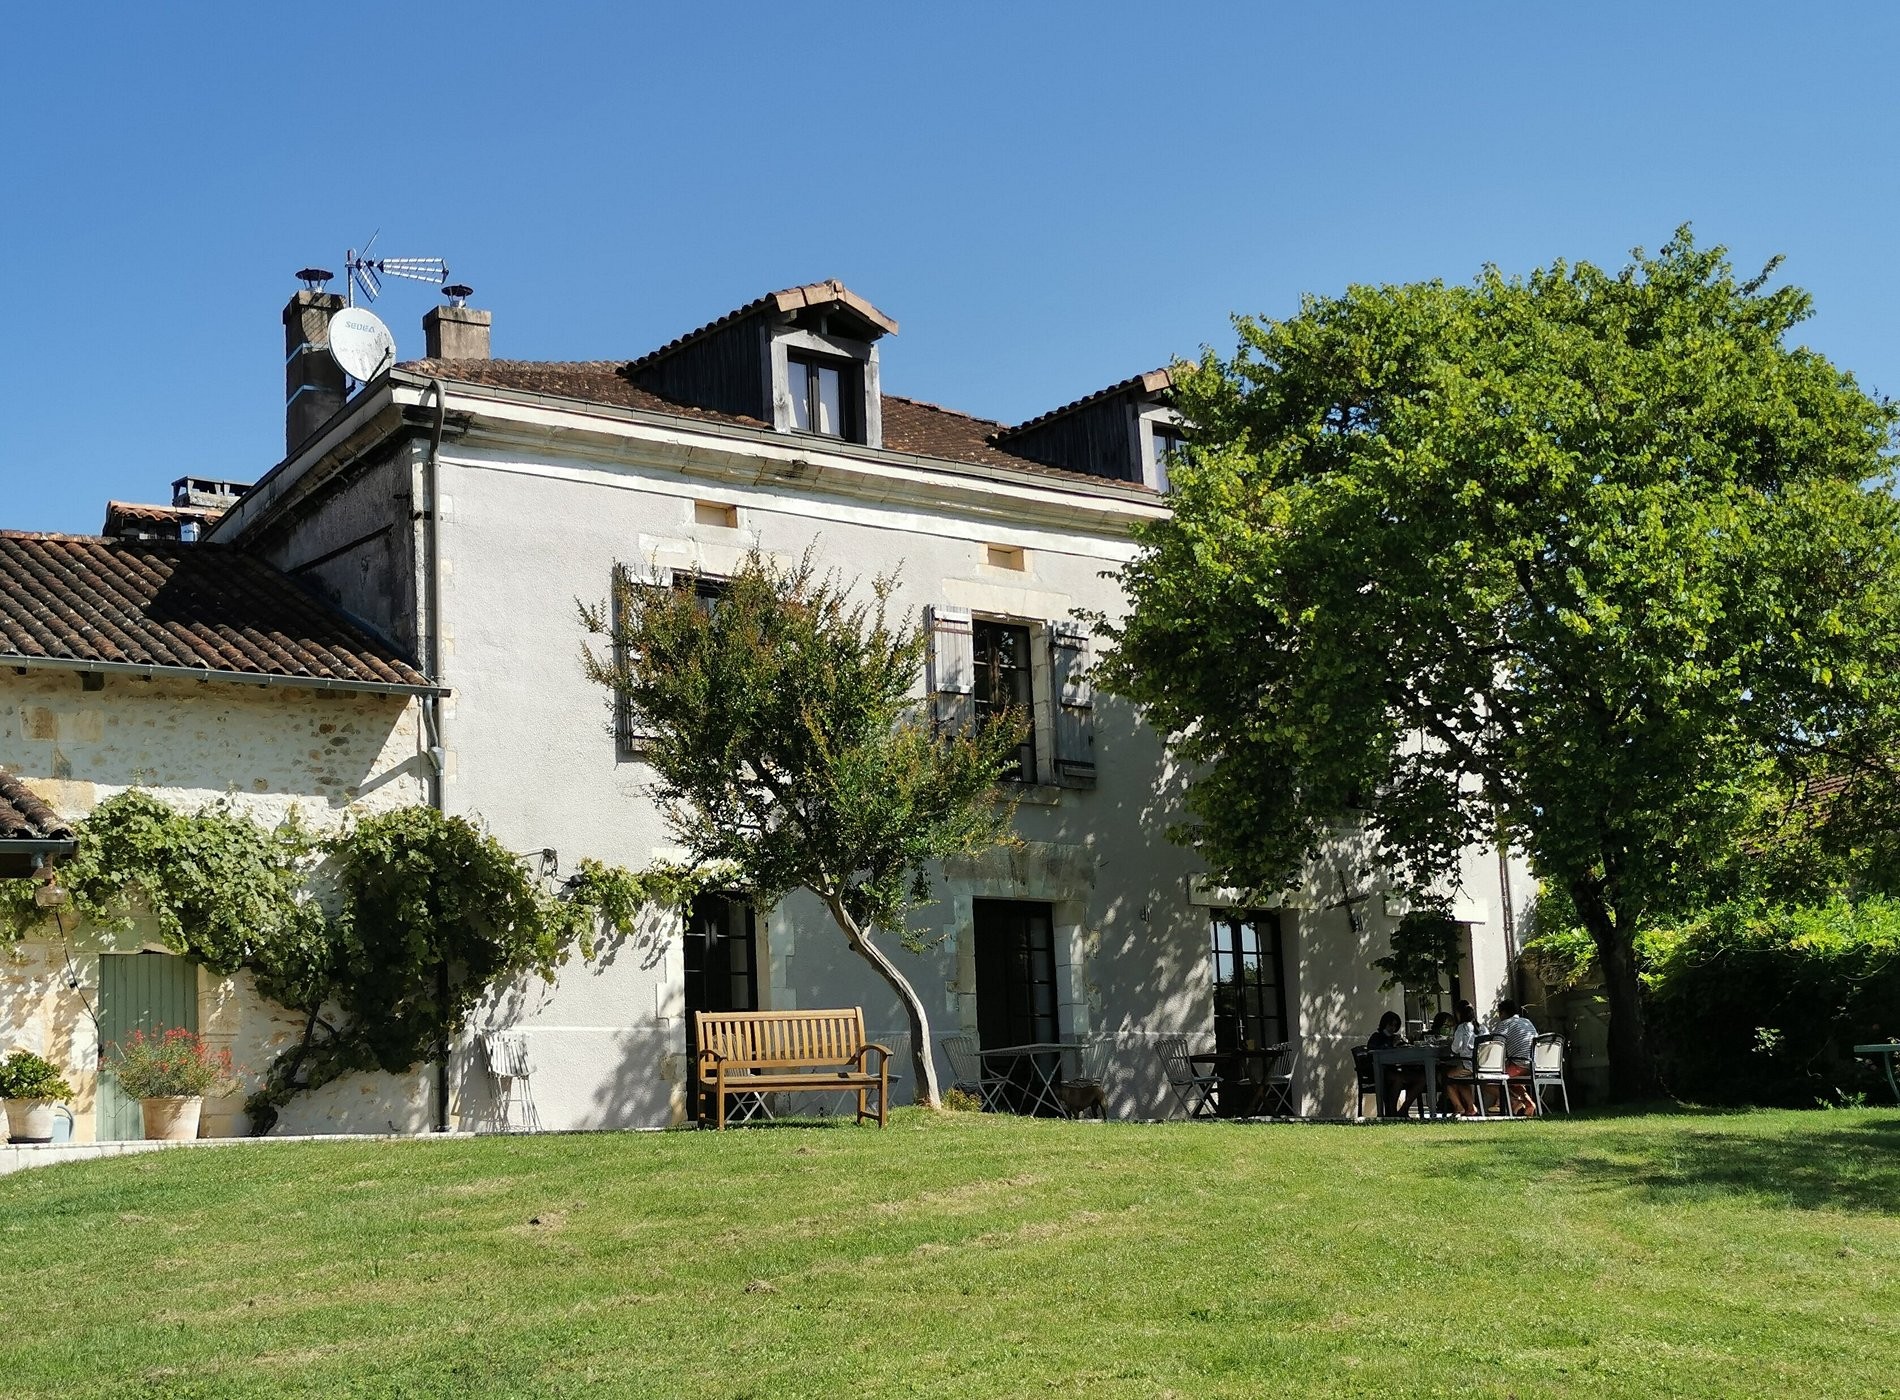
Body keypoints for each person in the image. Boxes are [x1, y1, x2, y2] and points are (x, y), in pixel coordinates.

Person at [1366, 1011, 1424, 1116]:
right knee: (1398, 1079)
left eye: (1395, 1026)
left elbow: (1405, 1049)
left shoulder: (1395, 1037)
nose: (1392, 1028)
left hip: (1398, 1069)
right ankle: (1391, 1112)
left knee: (1421, 1079)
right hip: (1381, 1071)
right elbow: (1373, 1051)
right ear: (1384, 1024)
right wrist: (1391, 1045)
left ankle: (1404, 1110)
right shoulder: (1376, 1037)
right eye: (1390, 1025)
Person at [1494, 999, 1539, 1117]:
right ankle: (1528, 1103)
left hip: (1519, 1065)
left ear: (1503, 1013)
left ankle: (1514, 1101)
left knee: (1490, 1078)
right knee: (1514, 1081)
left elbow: (1495, 1045)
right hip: (1534, 1065)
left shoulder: (1505, 1024)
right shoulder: (1527, 1022)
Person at [1444, 1000, 1484, 1117]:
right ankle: (1471, 1107)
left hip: (1469, 1065)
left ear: (1459, 1014)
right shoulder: (1482, 1028)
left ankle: (1458, 1106)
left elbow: (1456, 1048)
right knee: (1461, 1079)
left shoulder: (1462, 1028)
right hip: (1483, 1065)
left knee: (1446, 1077)